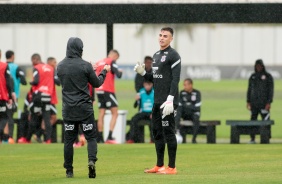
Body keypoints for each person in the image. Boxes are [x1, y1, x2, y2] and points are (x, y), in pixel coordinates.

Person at [57, 37, 110, 178]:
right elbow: (97, 83)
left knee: (69, 140)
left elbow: (69, 77)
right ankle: (91, 161)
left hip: (68, 109)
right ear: (80, 48)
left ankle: (69, 170)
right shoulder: (85, 65)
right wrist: (103, 71)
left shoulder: (60, 65)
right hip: (84, 109)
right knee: (91, 137)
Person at [134, 27, 181, 174]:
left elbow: (175, 79)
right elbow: (154, 79)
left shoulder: (174, 55)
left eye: (165, 36)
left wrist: (170, 99)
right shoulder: (155, 55)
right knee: (157, 133)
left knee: (169, 132)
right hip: (157, 101)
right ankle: (159, 165)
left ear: (171, 38)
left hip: (168, 101)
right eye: (160, 35)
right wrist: (143, 73)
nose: (161, 38)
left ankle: (172, 167)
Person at [95, 50, 122, 144]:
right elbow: (118, 75)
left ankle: (99, 137)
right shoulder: (111, 61)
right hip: (108, 90)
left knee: (101, 113)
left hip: (99, 90)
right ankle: (109, 136)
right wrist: (120, 72)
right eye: (117, 58)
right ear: (114, 56)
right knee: (115, 113)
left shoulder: (99, 62)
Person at [25, 53, 54, 144]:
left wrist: (31, 82)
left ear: (35, 59)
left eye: (32, 60)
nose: (32, 63)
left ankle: (27, 139)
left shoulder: (36, 68)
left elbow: (36, 80)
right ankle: (48, 139)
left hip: (38, 95)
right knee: (46, 118)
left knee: (33, 116)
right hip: (48, 95)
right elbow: (56, 80)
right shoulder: (50, 68)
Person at [247, 59, 274, 144]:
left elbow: (271, 91)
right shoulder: (253, 76)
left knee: (266, 121)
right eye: (257, 66)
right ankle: (252, 138)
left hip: (264, 104)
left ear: (262, 66)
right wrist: (248, 101)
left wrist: (269, 102)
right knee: (253, 121)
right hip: (254, 104)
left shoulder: (268, 76)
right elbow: (249, 90)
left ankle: (267, 138)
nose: (258, 67)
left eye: (259, 66)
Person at [5, 50, 27, 143]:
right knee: (10, 116)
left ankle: (3, 137)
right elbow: (23, 81)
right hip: (13, 95)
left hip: (2, 95)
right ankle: (9, 137)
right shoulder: (16, 67)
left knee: (2, 116)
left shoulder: (2, 66)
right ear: (13, 56)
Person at [175, 78, 201, 144]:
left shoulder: (197, 93)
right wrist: (191, 106)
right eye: (184, 85)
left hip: (193, 114)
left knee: (196, 118)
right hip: (185, 113)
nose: (184, 86)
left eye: (185, 85)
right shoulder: (182, 93)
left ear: (191, 85)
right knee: (178, 112)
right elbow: (180, 105)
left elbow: (197, 108)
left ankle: (194, 139)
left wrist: (186, 105)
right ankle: (176, 131)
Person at [0, 60, 13, 143]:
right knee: (4, 117)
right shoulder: (4, 65)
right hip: (1, 96)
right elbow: (8, 81)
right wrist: (10, 96)